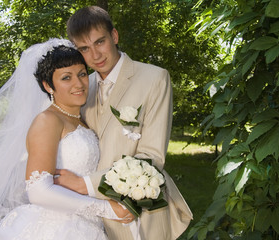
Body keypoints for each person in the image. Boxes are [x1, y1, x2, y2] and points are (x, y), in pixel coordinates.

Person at [54, 6, 193, 240]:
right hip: (91, 217)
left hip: (139, 210)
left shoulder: (154, 78)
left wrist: (85, 184)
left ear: (114, 36)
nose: (95, 55)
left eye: (100, 42)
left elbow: (151, 157)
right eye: (85, 49)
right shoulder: (80, 87)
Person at [0, 38, 133, 239]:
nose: (79, 83)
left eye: (82, 74)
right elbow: (39, 191)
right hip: (58, 228)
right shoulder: (47, 120)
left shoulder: (79, 119)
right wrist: (107, 209)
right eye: (66, 78)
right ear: (48, 85)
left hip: (87, 225)